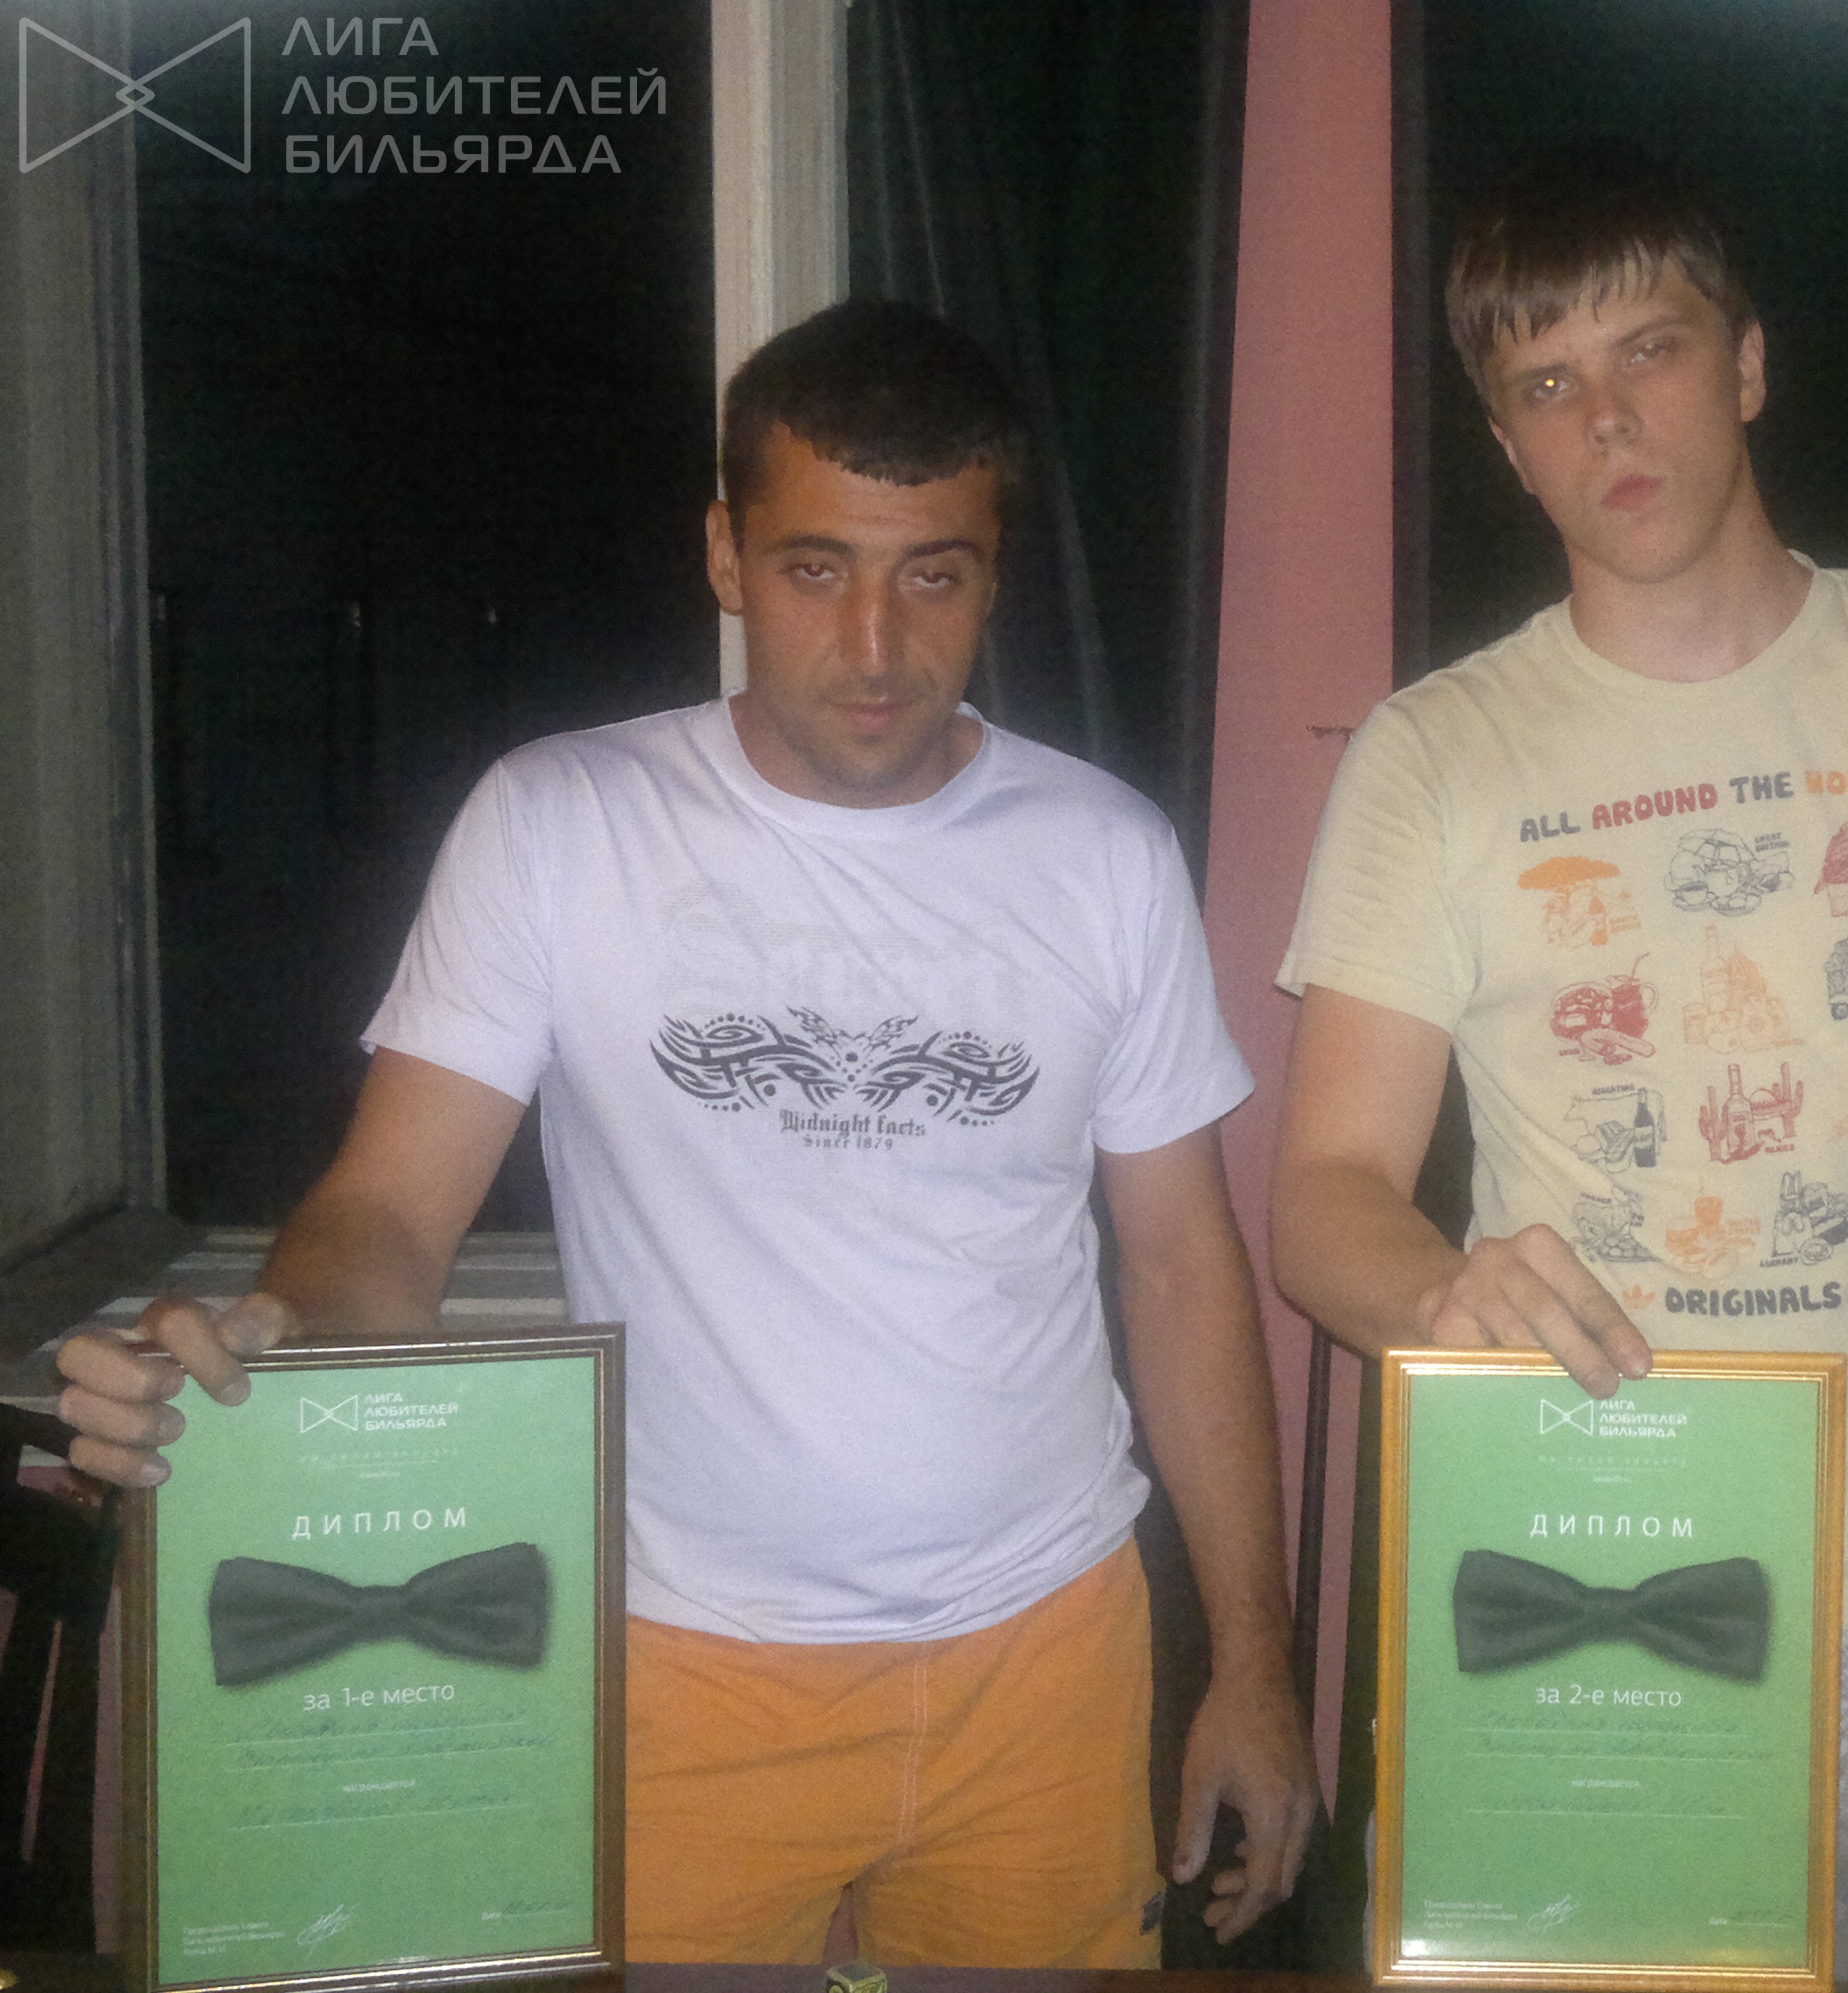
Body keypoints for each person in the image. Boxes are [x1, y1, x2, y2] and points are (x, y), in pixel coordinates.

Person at [58, 298, 1317, 1967]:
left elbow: (1178, 1271)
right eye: (814, 568)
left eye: (932, 575)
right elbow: (393, 1214)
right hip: (676, 1661)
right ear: (725, 554)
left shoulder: (1105, 853)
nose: (873, 644)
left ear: (994, 574)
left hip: (1049, 1650)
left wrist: (1254, 1665)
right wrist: (281, 1332)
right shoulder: (559, 823)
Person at [1270, 141, 1848, 1986]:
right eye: (1546, 386)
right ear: (1505, 446)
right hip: (1566, 1572)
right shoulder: (1433, 759)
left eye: (1649, 350)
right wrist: (1434, 1287)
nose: (1607, 418)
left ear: (1746, 363)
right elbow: (1323, 1202)